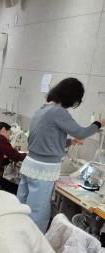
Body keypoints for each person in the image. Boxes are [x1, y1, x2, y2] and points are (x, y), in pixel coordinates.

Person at [17, 77, 103, 232]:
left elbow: (44, 138)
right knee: (38, 212)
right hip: (43, 170)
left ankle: (17, 234)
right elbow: (81, 132)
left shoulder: (43, 109)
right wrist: (99, 123)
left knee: (22, 205)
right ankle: (33, 242)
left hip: (30, 164)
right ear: (72, 98)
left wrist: (69, 142)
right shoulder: (59, 112)